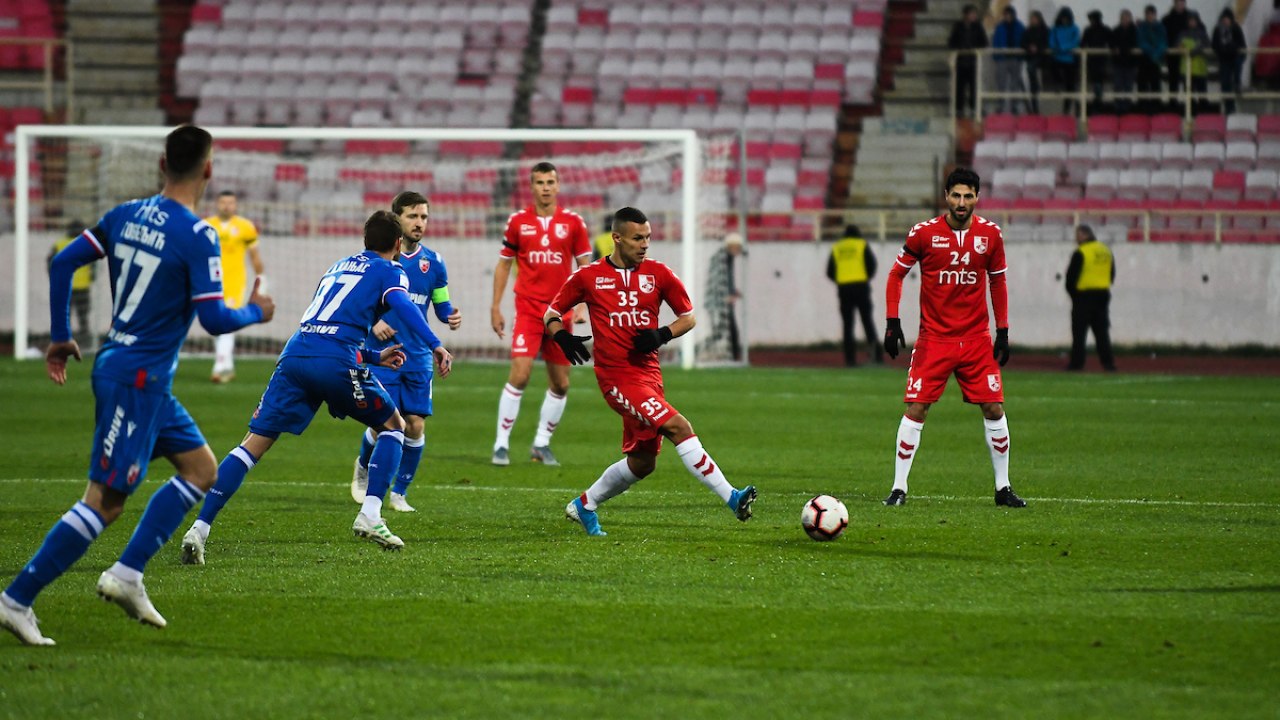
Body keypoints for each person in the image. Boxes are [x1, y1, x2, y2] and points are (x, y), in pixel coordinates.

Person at [0, 125, 276, 646]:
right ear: (209, 169)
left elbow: (64, 261)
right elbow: (215, 320)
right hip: (136, 379)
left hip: (132, 371)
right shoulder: (198, 235)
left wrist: (60, 337)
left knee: (200, 470)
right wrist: (256, 312)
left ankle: (128, 574)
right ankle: (16, 599)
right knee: (105, 501)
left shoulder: (125, 213)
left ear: (161, 164)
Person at [180, 210, 454, 562]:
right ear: (398, 244)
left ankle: (199, 529)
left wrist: (373, 356)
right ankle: (371, 515)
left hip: (296, 355)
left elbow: (328, 323)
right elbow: (402, 306)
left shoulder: (338, 266)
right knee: (393, 425)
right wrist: (435, 344)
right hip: (335, 360)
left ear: (364, 240)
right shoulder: (391, 270)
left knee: (253, 445)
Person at [544, 207, 757, 536]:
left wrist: (661, 334)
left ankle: (584, 505)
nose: (645, 245)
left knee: (643, 463)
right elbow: (551, 313)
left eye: (648, 238)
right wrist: (561, 335)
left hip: (649, 377)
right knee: (678, 426)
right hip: (616, 378)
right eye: (637, 238)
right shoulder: (588, 276)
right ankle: (732, 497)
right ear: (617, 238)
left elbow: (688, 317)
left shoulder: (659, 274)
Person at [880, 167, 1024, 509]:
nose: (961, 202)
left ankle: (1003, 488)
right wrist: (892, 321)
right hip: (934, 340)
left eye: (968, 196)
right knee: (917, 407)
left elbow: (998, 282)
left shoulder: (991, 235)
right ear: (946, 196)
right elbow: (896, 275)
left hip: (975, 340)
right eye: (956, 195)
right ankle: (899, 488)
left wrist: (1002, 330)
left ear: (977, 197)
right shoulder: (923, 233)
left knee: (994, 407)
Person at [347, 191, 461, 514]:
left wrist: (450, 314)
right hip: (382, 353)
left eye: (424, 217)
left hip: (419, 356)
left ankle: (399, 492)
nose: (419, 223)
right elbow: (358, 303)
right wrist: (374, 325)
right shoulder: (379, 260)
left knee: (415, 425)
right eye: (413, 216)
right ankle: (364, 467)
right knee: (383, 421)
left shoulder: (434, 263)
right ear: (397, 219)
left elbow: (440, 303)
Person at [489, 161, 591, 467]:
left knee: (561, 384)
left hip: (561, 314)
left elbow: (586, 267)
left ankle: (541, 444)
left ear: (558, 186)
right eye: (539, 182)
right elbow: (504, 264)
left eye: (550, 182)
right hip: (529, 310)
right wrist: (495, 306)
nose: (545, 187)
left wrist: (585, 304)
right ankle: (501, 445)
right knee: (519, 374)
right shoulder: (518, 222)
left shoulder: (574, 223)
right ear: (531, 187)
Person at [205, 191, 264, 384]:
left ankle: (219, 366)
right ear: (217, 204)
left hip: (234, 283)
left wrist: (261, 279)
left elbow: (254, 256)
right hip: (210, 283)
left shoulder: (245, 227)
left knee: (226, 321)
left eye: (230, 202)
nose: (227, 206)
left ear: (235, 205)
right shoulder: (207, 226)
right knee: (216, 322)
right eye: (223, 202)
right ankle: (227, 364)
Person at [827, 224, 881, 367]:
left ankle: (850, 360)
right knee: (867, 322)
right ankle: (877, 357)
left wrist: (841, 279)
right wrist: (864, 277)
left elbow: (829, 271)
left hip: (844, 289)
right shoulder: (861, 245)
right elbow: (872, 265)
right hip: (861, 287)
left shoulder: (837, 247)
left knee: (847, 325)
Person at [1065, 227, 1118, 372]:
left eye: (1077, 235)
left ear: (1084, 235)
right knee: (1102, 331)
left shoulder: (1082, 252)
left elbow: (1070, 278)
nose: (1076, 239)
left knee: (1079, 332)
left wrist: (1074, 296)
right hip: (1102, 294)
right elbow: (1112, 273)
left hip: (1083, 296)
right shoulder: (1105, 250)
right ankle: (1108, 363)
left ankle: (1077, 364)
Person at [46, 219, 94, 348]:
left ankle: (65, 341)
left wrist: (53, 278)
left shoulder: (60, 244)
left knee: (65, 317)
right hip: (83, 287)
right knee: (83, 318)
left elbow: (50, 262)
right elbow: (94, 266)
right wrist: (91, 277)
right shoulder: (85, 243)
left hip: (65, 286)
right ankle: (85, 343)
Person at [701, 232, 743, 361]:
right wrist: (724, 297)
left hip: (721, 302)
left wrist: (732, 291)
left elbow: (724, 280)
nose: (739, 250)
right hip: (717, 303)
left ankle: (735, 357)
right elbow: (715, 282)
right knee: (723, 332)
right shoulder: (721, 259)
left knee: (724, 332)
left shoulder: (727, 258)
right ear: (731, 246)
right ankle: (695, 350)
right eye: (738, 247)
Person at [948, 4, 988, 117]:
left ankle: (974, 108)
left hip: (973, 62)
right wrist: (960, 49)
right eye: (971, 14)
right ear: (965, 15)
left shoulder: (978, 26)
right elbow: (951, 42)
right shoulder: (958, 26)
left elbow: (984, 42)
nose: (974, 16)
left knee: (974, 87)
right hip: (961, 62)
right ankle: (959, 109)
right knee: (959, 87)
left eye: (975, 14)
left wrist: (974, 48)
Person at [1212, 9, 1247, 114]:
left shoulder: (1236, 28)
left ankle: (1237, 84)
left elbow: (1242, 45)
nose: (1226, 21)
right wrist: (1222, 50)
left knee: (1233, 77)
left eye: (1227, 19)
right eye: (1224, 19)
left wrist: (1233, 48)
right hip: (1224, 59)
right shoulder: (1218, 30)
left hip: (1235, 58)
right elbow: (1214, 45)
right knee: (1225, 84)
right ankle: (1229, 107)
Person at [992, 7, 1026, 114]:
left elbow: (1024, 41)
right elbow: (995, 41)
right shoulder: (1000, 27)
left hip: (1016, 58)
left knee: (1014, 84)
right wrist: (996, 56)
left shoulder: (1020, 26)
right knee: (1001, 83)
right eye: (1006, 14)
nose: (1008, 16)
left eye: (1010, 14)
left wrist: (1021, 56)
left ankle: (1014, 106)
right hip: (1002, 58)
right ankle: (1001, 105)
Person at [1136, 5, 1169, 113]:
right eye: (1148, 14)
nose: (1150, 16)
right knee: (1142, 83)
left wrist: (1156, 54)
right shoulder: (1142, 27)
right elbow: (1141, 42)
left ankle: (1156, 106)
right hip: (1145, 59)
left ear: (1155, 15)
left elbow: (1163, 42)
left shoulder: (1160, 27)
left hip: (1155, 60)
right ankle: (1142, 106)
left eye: (1151, 14)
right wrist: (1153, 53)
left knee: (1155, 83)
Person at [1048, 7, 1081, 114]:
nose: (1064, 20)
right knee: (1054, 70)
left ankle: (1068, 109)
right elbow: (1051, 41)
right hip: (1057, 59)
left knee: (1070, 86)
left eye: (1066, 18)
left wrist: (1063, 47)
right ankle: (1058, 85)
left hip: (1070, 60)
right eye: (1063, 18)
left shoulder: (1075, 28)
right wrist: (1056, 48)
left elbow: (1075, 42)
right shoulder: (1055, 28)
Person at [1178, 11, 1210, 113]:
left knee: (1202, 95)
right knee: (1189, 96)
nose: (1192, 22)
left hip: (1200, 69)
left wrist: (1191, 52)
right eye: (1190, 20)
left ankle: (1203, 116)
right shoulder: (1182, 33)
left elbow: (1207, 45)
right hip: (1187, 70)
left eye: (1194, 20)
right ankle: (1190, 115)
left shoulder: (1203, 34)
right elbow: (1177, 46)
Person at [1081, 10, 1114, 110]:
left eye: (1092, 19)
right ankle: (1097, 100)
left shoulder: (1104, 30)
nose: (1091, 21)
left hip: (1101, 60)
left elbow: (1112, 42)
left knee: (1098, 80)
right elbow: (1082, 44)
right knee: (1095, 80)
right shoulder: (1088, 30)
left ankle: (1098, 100)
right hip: (1092, 60)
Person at [1112, 10, 1141, 114]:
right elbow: (1112, 44)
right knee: (1118, 86)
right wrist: (1116, 48)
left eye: (1127, 17)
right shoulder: (1115, 30)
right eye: (1123, 18)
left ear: (1130, 18)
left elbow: (1134, 44)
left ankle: (1126, 109)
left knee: (1128, 86)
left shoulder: (1135, 31)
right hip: (1118, 63)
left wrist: (1121, 49)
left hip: (1131, 63)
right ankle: (1118, 108)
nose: (1125, 20)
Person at [1022, 10, 1050, 114]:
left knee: (1031, 69)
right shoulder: (1028, 31)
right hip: (1031, 57)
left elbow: (1047, 43)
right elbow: (1023, 42)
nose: (1033, 20)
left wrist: (1037, 48)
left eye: (1034, 18)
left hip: (1041, 58)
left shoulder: (1045, 30)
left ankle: (1037, 87)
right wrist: (1030, 47)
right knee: (1031, 76)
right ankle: (1034, 107)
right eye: (1031, 18)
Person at [1162, 0, 1190, 94]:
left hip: (1188, 54)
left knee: (1189, 79)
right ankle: (1173, 103)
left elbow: (1197, 33)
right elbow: (1163, 36)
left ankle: (1190, 103)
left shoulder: (1191, 18)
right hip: (1172, 54)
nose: (1180, 4)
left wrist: (1185, 45)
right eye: (1178, 2)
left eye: (1182, 2)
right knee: (1173, 79)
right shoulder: (1167, 19)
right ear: (1174, 3)